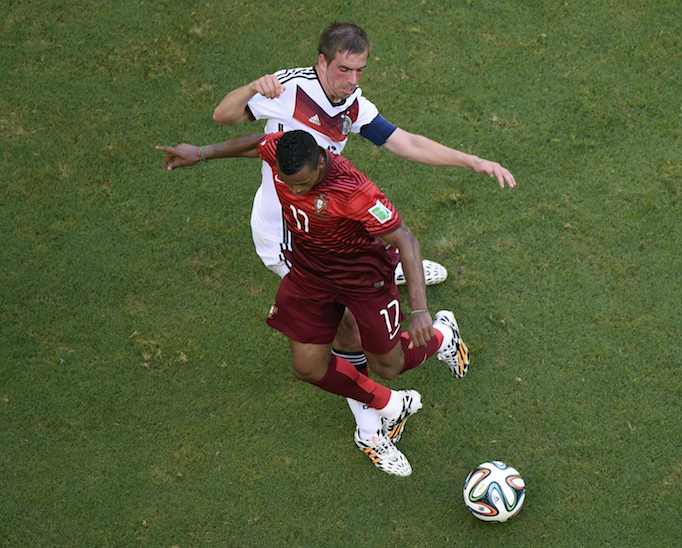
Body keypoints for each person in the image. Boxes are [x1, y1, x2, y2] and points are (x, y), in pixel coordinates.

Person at [159, 21, 513, 471]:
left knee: (357, 288)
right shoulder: (287, 89)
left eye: (360, 70)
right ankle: (377, 414)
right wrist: (251, 88)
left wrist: (472, 160)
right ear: (321, 61)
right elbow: (225, 117)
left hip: (333, 225)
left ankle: (391, 322)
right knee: (345, 324)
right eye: (345, 69)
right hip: (288, 238)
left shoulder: (353, 107)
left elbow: (405, 142)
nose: (353, 81)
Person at [189, 129, 471, 476]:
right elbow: (255, 144)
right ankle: (391, 404)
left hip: (363, 280)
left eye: (303, 185)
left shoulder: (353, 192)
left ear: (321, 162)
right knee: (308, 367)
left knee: (388, 365)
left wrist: (421, 311)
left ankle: (443, 335)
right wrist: (201, 151)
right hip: (311, 275)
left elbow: (406, 241)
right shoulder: (284, 151)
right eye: (288, 183)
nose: (294, 191)